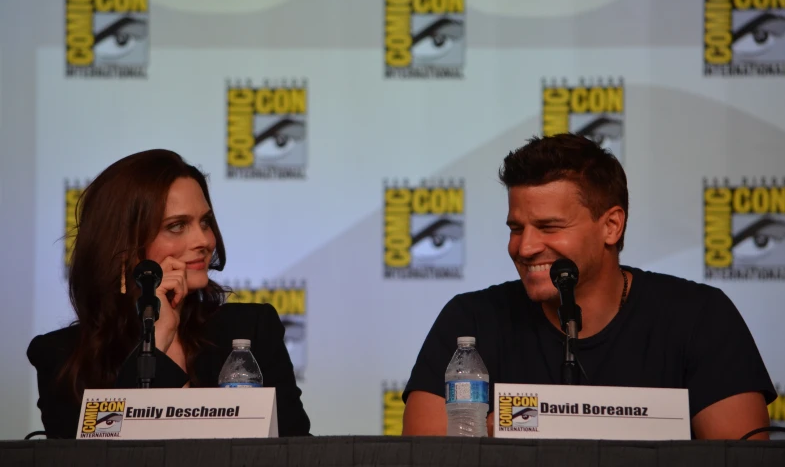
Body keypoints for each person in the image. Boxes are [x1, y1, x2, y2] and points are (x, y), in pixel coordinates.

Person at [401, 134, 776, 440]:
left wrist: (507, 429)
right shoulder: (470, 323)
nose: (525, 247)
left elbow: (739, 457)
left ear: (611, 226)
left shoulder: (700, 316)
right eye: (516, 229)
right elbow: (427, 455)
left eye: (549, 227)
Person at [27, 149, 310, 438]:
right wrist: (156, 341)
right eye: (176, 226)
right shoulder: (62, 358)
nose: (204, 240)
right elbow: (99, 454)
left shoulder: (252, 329)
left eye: (205, 222)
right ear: (120, 246)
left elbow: (298, 450)